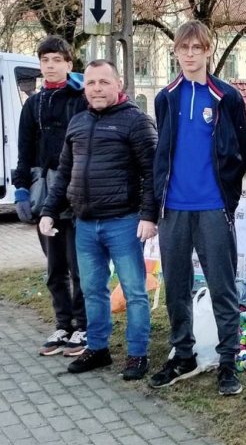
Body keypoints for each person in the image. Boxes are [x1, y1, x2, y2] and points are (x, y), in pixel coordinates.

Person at [39, 60, 157, 381]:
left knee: (134, 292)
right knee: (92, 290)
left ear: (118, 85)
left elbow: (152, 174)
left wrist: (149, 216)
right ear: (84, 88)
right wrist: (49, 211)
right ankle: (98, 347)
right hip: (85, 224)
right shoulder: (78, 122)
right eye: (91, 83)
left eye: (104, 82)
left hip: (124, 222)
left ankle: (137, 354)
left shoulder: (136, 121)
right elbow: (64, 173)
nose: (97, 89)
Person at [150, 20, 246, 396]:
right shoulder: (165, 97)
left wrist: (228, 200)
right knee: (176, 287)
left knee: (222, 288)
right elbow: (163, 153)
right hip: (173, 209)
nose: (190, 54)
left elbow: (242, 152)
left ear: (209, 50)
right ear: (175, 52)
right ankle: (183, 355)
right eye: (184, 48)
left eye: (197, 48)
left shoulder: (227, 97)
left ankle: (228, 362)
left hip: (212, 208)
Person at [13, 35, 87, 357]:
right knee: (55, 266)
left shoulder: (81, 99)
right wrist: (21, 189)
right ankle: (63, 324)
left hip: (77, 192)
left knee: (78, 265)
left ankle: (83, 326)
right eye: (45, 61)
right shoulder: (33, 104)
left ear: (69, 64)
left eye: (57, 60)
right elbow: (25, 151)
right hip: (45, 194)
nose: (51, 66)